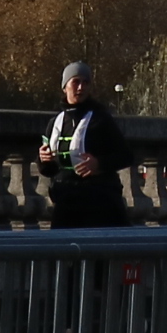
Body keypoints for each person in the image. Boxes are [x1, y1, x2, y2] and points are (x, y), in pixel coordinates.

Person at [40, 62, 134, 228]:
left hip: (100, 202)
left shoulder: (101, 120)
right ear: (65, 87)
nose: (81, 87)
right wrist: (43, 160)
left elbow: (126, 156)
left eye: (86, 82)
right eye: (76, 82)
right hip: (66, 202)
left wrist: (99, 164)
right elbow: (49, 171)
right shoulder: (55, 123)